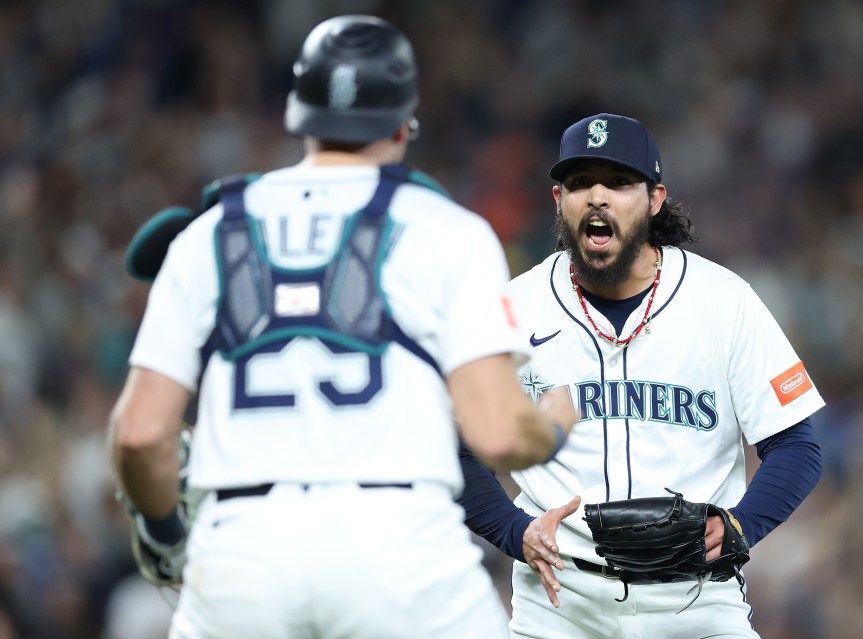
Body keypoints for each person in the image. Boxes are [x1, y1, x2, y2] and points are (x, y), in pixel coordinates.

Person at [108, 15, 576, 639]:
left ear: (298, 112)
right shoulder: (448, 232)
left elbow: (139, 434)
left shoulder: (209, 232)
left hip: (242, 551)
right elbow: (496, 433)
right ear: (404, 120)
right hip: (398, 547)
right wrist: (552, 424)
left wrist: (166, 532)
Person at [457, 113, 825, 638]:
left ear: (654, 200)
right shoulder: (516, 308)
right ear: (558, 200)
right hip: (560, 605)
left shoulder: (722, 301)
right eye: (580, 183)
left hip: (695, 601)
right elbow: (456, 449)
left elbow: (797, 446)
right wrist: (514, 532)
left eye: (619, 182)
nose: (597, 197)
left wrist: (740, 525)